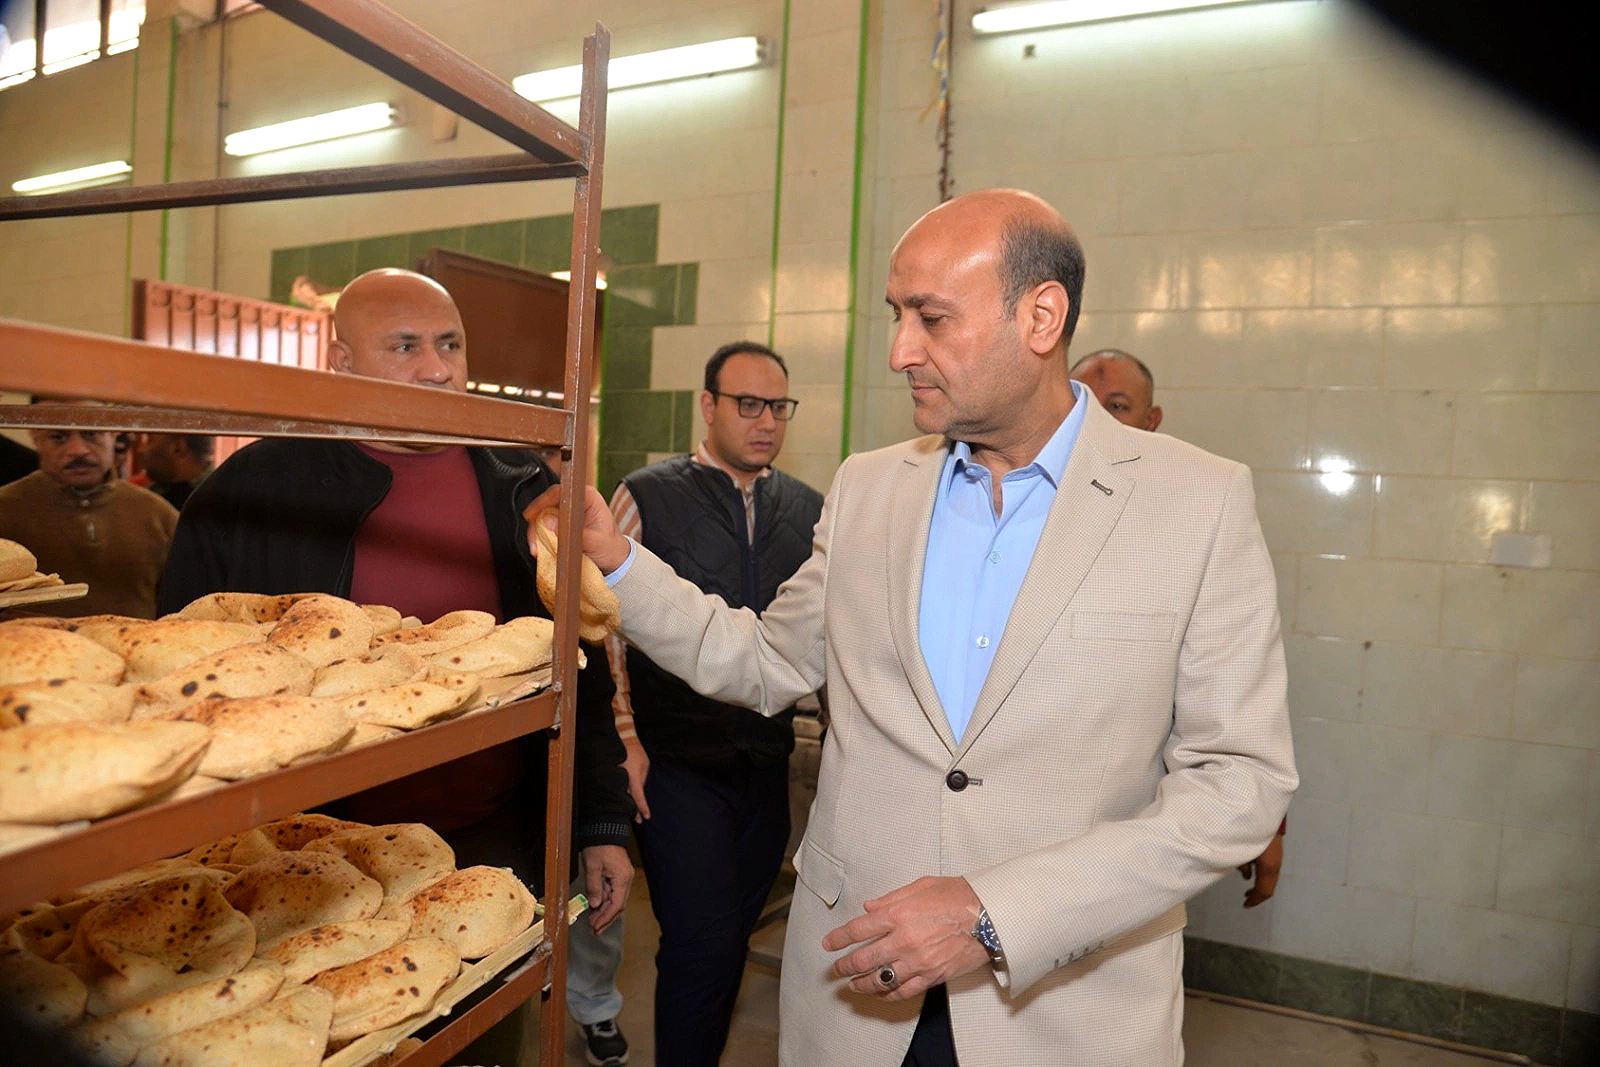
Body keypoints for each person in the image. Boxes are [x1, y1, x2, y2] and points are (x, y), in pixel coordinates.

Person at [533, 189, 1296, 1066]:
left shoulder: (1196, 501)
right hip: (858, 993)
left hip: (1066, 1007)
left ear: (1041, 316)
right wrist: (617, 560)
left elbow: (1238, 781)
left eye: (931, 319)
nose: (900, 351)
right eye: (897, 316)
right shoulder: (870, 487)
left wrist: (993, 915)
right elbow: (765, 659)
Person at [156, 268, 634, 1065]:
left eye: (450, 344)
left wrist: (601, 819)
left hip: (490, 842)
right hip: (311, 869)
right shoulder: (250, 495)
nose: (438, 369)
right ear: (342, 363)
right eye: (405, 346)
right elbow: (185, 690)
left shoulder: (524, 487)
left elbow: (580, 667)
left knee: (483, 1039)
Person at [596, 340, 823, 1066]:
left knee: (730, 936)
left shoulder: (808, 508)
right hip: (677, 762)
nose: (766, 421)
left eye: (778, 406)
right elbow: (605, 627)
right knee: (700, 941)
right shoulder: (646, 495)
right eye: (748, 404)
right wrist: (624, 736)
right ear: (708, 405)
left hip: (764, 762)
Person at [1070, 348, 1285, 908]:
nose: (1098, 420)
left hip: (1145, 831)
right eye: (1085, 401)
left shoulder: (1197, 509)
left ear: (1152, 420)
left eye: (1118, 406)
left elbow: (1237, 703)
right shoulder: (1021, 505)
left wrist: (1268, 827)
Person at [0, 401, 177, 617]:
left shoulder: (159, 515)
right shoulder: (5, 507)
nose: (78, 450)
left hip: (137, 639)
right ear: (35, 437)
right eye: (58, 437)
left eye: (91, 434)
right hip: (23, 639)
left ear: (114, 435)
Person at [136, 433, 215, 511]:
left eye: (149, 441)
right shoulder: (153, 491)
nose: (140, 449)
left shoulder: (215, 501)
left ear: (178, 448)